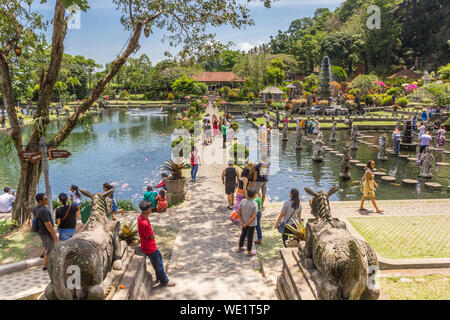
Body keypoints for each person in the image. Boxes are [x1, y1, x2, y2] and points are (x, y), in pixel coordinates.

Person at [137, 200, 175, 286]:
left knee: (157, 262)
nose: (151, 209)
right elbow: (151, 236)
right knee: (159, 264)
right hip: (150, 247)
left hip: (146, 245)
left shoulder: (140, 217)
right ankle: (165, 281)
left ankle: (159, 278)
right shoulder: (144, 223)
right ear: (147, 210)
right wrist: (152, 231)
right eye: (150, 208)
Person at [34, 193, 58, 270]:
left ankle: (42, 254)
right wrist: (54, 234)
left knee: (45, 243)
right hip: (46, 232)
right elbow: (48, 224)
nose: (47, 200)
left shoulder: (36, 208)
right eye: (45, 199)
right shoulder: (43, 210)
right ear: (40, 201)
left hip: (40, 231)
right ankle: (45, 266)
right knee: (50, 247)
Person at [237, 189, 258, 256]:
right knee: (250, 237)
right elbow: (254, 216)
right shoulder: (255, 204)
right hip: (251, 224)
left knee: (243, 234)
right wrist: (247, 223)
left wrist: (243, 222)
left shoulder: (242, 201)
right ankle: (249, 251)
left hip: (244, 221)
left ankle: (240, 247)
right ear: (254, 196)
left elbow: (239, 212)